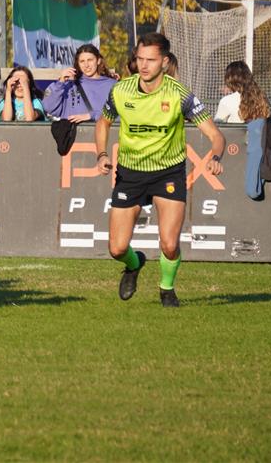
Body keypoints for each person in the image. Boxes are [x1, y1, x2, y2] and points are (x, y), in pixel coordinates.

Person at [94, 33, 227, 308]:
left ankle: (167, 289)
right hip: (130, 174)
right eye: (140, 59)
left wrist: (215, 155)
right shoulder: (121, 90)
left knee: (169, 244)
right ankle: (135, 264)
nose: (144, 65)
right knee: (117, 249)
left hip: (168, 173)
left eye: (151, 60)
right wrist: (102, 154)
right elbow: (103, 122)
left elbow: (216, 136)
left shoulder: (180, 94)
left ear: (164, 62)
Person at [41, 44, 117, 124]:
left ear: (98, 61)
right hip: (73, 135)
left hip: (103, 135)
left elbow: (123, 116)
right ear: (78, 64)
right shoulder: (68, 86)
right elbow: (48, 107)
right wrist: (60, 82)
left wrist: (93, 115)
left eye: (90, 60)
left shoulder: (112, 85)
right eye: (82, 61)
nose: (86, 65)